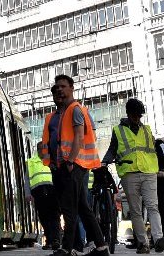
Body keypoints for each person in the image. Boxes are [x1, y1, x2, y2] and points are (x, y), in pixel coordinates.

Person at [41, 74, 108, 256]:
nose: (59, 90)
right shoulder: (55, 116)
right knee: (82, 207)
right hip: (61, 167)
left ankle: (67, 247)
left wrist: (70, 160)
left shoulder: (75, 109)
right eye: (57, 88)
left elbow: (79, 136)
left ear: (71, 88)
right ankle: (101, 248)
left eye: (63, 86)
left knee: (70, 209)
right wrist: (52, 162)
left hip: (75, 165)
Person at [104, 98, 162, 253]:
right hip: (129, 174)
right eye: (135, 115)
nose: (137, 118)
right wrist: (104, 162)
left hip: (148, 172)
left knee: (152, 206)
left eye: (139, 115)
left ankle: (158, 239)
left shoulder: (147, 129)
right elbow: (112, 149)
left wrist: (160, 169)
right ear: (128, 114)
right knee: (135, 211)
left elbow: (153, 151)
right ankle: (143, 243)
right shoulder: (118, 130)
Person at [28, 152, 61, 251]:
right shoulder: (31, 162)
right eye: (39, 149)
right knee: (43, 217)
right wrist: (27, 193)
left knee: (54, 216)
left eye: (43, 148)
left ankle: (55, 240)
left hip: (52, 189)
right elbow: (27, 179)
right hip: (37, 191)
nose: (42, 150)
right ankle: (49, 240)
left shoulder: (53, 159)